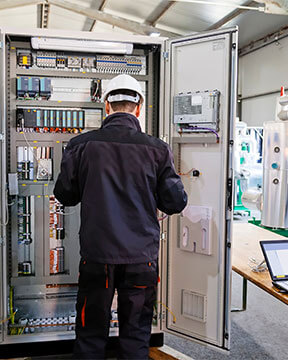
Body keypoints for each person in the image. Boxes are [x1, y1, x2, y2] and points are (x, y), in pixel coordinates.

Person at [54, 74, 187, 359]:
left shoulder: (80, 145)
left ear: (106, 106)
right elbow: (175, 203)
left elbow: (65, 195)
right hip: (141, 257)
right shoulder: (157, 149)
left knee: (90, 333)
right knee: (136, 333)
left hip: (97, 256)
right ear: (139, 107)